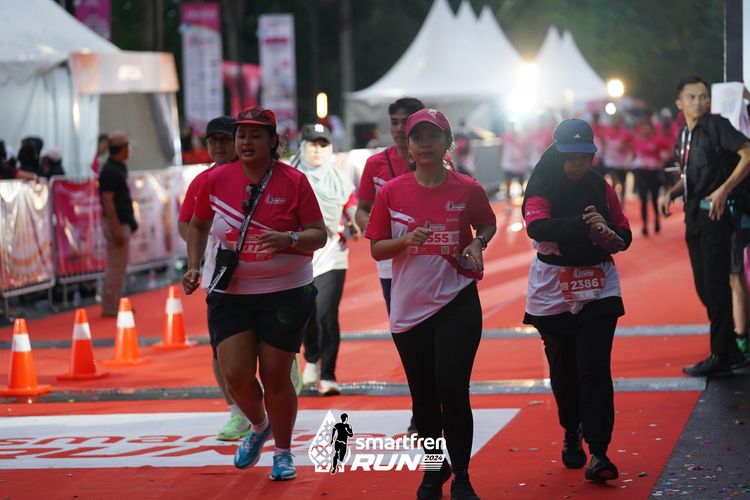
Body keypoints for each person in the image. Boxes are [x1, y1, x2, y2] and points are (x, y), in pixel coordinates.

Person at [183, 106, 326, 481]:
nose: (246, 141)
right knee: (235, 375)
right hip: (231, 291)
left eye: (255, 135)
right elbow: (197, 225)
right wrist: (194, 266)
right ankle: (260, 426)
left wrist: (288, 238)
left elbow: (318, 234)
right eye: (241, 135)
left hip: (286, 290)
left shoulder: (293, 181)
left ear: (272, 141)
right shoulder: (214, 180)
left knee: (276, 376)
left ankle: (283, 452)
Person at [366, 108, 497, 500]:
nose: (424, 144)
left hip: (457, 300)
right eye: (417, 137)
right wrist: (406, 241)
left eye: (433, 136)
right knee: (423, 398)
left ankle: (462, 477)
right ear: (408, 145)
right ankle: (433, 470)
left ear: (447, 143)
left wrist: (478, 243)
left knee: (452, 388)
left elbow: (487, 223)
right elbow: (376, 248)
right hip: (409, 309)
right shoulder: (391, 192)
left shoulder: (467, 188)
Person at [522, 119, 632, 483]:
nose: (577, 163)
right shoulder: (543, 183)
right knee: (564, 372)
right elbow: (537, 226)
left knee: (594, 369)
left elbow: (624, 233)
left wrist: (608, 231)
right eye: (570, 156)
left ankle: (599, 452)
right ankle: (572, 428)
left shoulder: (601, 187)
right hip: (552, 287)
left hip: (599, 285)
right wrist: (583, 225)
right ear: (558, 154)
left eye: (584, 156)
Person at [660, 76, 750, 376]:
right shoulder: (685, 134)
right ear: (679, 103)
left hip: (716, 216)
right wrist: (672, 192)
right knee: (705, 288)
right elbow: (689, 174)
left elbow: (747, 153)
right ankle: (730, 351)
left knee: (715, 286)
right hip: (693, 217)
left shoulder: (717, 125)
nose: (698, 102)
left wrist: (724, 190)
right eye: (692, 97)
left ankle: (721, 355)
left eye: (703, 96)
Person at [177, 116, 250, 441]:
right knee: (221, 350)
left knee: (264, 346)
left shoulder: (257, 174)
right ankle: (237, 413)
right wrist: (203, 247)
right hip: (219, 276)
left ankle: (283, 368)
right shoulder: (203, 180)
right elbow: (186, 224)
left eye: (224, 139)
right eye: (213, 141)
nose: (218, 146)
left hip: (264, 275)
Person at [355, 97, 425, 435]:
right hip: (392, 267)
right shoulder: (375, 164)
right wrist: (377, 228)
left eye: (406, 121)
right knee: (409, 339)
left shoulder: (437, 160)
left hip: (434, 263)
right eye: (394, 121)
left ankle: (435, 405)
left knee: (438, 340)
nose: (399, 128)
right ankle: (422, 409)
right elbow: (362, 209)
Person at [292, 123, 360, 396]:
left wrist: (355, 221)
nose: (318, 150)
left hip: (333, 255)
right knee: (306, 314)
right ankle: (311, 359)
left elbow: (351, 204)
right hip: (300, 257)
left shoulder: (338, 178)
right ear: (302, 146)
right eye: (313, 144)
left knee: (326, 314)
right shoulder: (291, 177)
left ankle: (328, 374)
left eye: (323, 145)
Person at [99, 132, 138, 317]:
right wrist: (116, 228)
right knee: (116, 265)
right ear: (122, 149)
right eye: (127, 147)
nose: (129, 150)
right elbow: (108, 200)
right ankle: (110, 306)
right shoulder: (111, 171)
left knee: (118, 265)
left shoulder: (116, 168)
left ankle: (115, 303)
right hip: (117, 222)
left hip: (120, 221)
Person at [631, 119, 668, 236]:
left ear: (652, 130)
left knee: (654, 199)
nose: (646, 131)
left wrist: (662, 162)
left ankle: (657, 220)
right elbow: (634, 155)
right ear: (641, 130)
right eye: (644, 129)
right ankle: (645, 225)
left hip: (654, 173)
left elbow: (668, 150)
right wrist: (630, 163)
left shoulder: (658, 140)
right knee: (643, 200)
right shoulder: (636, 141)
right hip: (641, 173)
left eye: (648, 129)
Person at [600, 113, 633, 204]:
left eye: (618, 119)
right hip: (609, 161)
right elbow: (601, 143)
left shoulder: (626, 132)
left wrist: (625, 147)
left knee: (622, 183)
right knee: (614, 179)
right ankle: (613, 200)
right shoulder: (606, 130)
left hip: (622, 162)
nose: (616, 121)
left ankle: (622, 202)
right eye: (615, 119)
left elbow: (632, 145)